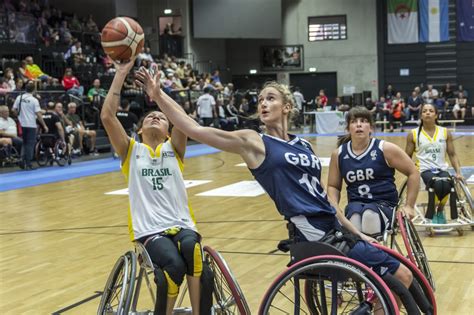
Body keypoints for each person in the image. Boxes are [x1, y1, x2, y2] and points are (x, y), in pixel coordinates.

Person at [135, 67, 414, 292]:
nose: (263, 104)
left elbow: (324, 200)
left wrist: (358, 233)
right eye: (260, 100)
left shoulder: (303, 145)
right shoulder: (254, 142)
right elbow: (193, 127)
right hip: (315, 235)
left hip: (336, 229)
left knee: (408, 277)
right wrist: (159, 94)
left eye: (270, 98)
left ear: (287, 106)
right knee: (400, 277)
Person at [101, 60, 207, 315]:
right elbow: (107, 116)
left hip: (181, 224)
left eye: (161, 117)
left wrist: (157, 96)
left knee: (193, 249)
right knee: (173, 266)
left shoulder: (175, 148)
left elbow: (181, 117)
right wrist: (121, 73)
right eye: (150, 116)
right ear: (139, 129)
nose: (156, 116)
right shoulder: (131, 150)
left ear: (169, 129)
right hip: (149, 230)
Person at [327, 107, 419, 236]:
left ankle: (374, 254)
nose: (359, 124)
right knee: (354, 217)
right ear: (348, 128)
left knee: (369, 215)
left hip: (384, 204)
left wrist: (409, 206)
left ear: (371, 128)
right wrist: (335, 207)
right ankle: (364, 253)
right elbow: (333, 186)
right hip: (355, 204)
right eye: (354, 121)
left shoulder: (385, 148)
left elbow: (413, 172)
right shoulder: (339, 154)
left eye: (363, 121)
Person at [405, 103, 464, 224]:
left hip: (441, 169)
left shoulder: (445, 132)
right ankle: (432, 214)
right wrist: (410, 175)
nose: (427, 113)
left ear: (436, 115)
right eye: (425, 111)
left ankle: (440, 211)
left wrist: (458, 172)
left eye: (431, 111)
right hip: (423, 170)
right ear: (421, 115)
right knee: (437, 184)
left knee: (448, 184)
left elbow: (452, 154)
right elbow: (406, 157)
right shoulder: (413, 134)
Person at [12, 81, 48, 170]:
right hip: (31, 124)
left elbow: (13, 110)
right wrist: (44, 125)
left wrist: (19, 115)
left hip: (21, 124)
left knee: (25, 142)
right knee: (30, 144)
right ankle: (28, 163)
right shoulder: (34, 100)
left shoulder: (19, 97)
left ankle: (22, 159)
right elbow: (39, 114)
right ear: (34, 90)